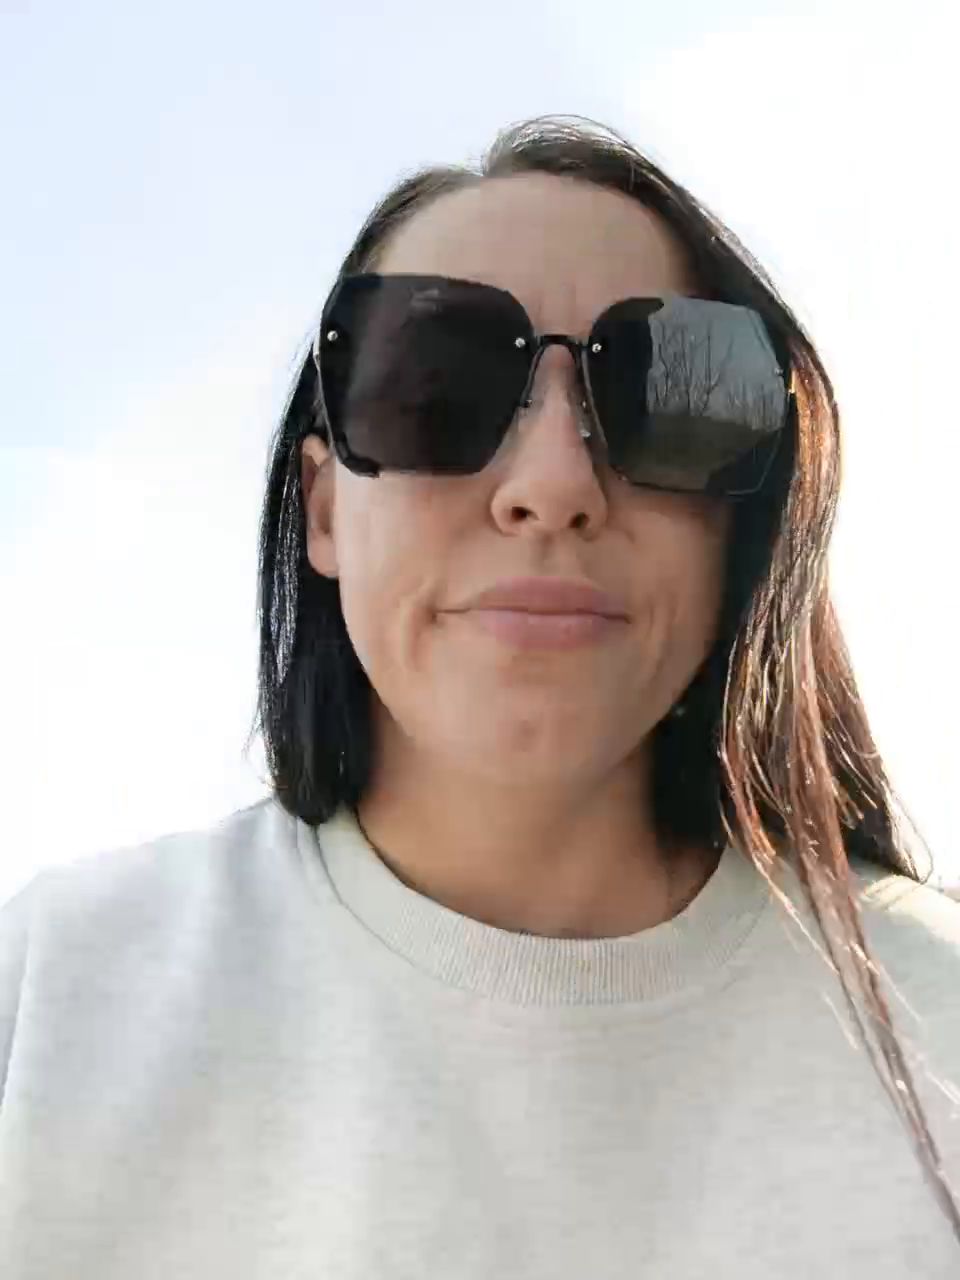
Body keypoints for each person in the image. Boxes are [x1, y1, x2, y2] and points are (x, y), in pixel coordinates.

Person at [1, 115, 958, 1278]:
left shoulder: (940, 1016)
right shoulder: (51, 995)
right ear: (324, 510)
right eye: (436, 388)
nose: (553, 484)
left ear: (740, 526)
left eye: (664, 398)